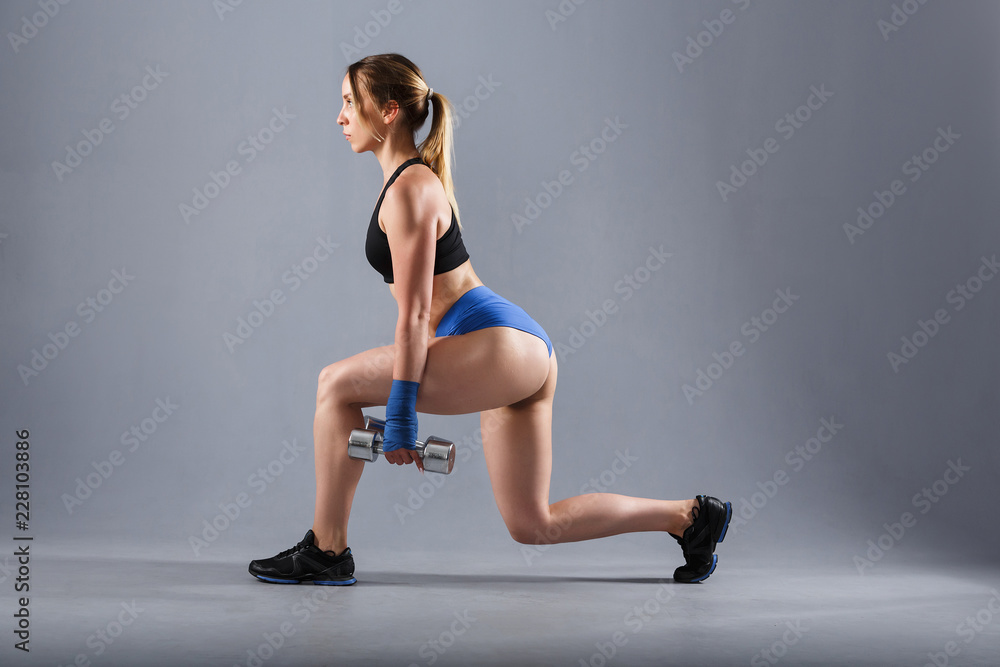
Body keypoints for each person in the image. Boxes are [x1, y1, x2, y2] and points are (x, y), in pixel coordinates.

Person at [248, 53, 731, 586]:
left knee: (333, 385)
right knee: (533, 523)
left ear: (388, 111)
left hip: (491, 339)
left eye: (348, 102)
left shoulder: (409, 189)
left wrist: (403, 411)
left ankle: (327, 550)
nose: (340, 117)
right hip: (521, 350)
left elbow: (412, 317)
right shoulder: (411, 183)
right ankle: (690, 518)